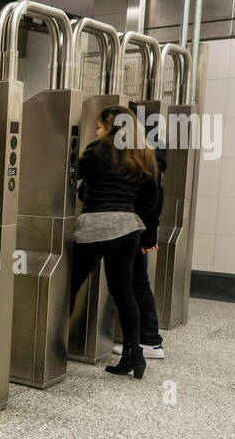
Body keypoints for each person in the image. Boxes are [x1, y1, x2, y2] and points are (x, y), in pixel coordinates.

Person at [70, 105, 160, 380]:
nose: (96, 131)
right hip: (128, 231)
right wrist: (131, 217)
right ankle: (134, 354)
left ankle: (52, 346)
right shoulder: (143, 155)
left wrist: (88, 193)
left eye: (99, 126)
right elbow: (151, 198)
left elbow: (73, 175)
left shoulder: (98, 151)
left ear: (111, 127)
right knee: (124, 292)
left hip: (95, 228)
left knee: (69, 285)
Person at [114, 111, 166, 360]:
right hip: (138, 229)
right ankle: (146, 339)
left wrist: (147, 234)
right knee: (137, 282)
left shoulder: (142, 158)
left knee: (135, 283)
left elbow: (153, 199)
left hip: (135, 230)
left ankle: (149, 340)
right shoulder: (148, 154)